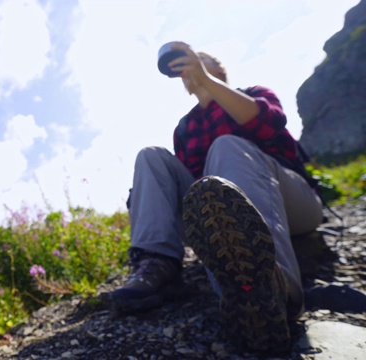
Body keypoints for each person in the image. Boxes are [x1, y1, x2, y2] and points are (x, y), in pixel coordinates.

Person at [109, 42, 324, 352]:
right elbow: (200, 195)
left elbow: (268, 124)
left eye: (199, 60)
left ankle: (274, 290)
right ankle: (159, 264)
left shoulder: (253, 92)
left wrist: (207, 81)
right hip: (232, 215)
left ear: (220, 69)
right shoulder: (185, 128)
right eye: (184, 67)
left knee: (226, 146)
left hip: (293, 203)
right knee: (150, 157)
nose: (189, 67)